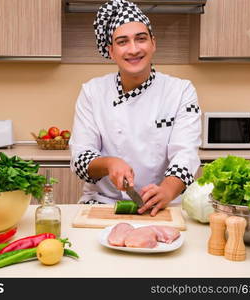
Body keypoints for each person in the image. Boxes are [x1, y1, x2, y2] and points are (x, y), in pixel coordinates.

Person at [69, 0, 201, 216]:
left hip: (164, 205)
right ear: (111, 51)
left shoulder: (181, 91)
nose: (134, 49)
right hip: (103, 203)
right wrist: (109, 163)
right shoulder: (92, 92)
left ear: (153, 43)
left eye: (141, 39)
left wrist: (167, 190)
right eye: (122, 42)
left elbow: (185, 154)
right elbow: (80, 157)